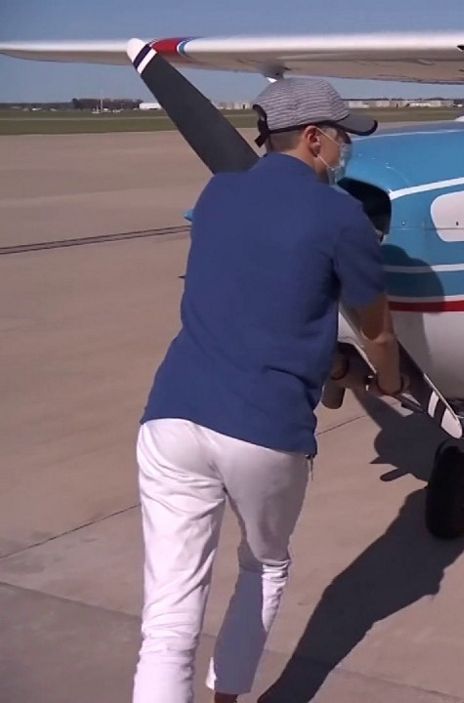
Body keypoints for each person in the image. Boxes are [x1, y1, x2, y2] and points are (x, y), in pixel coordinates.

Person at [132, 77, 408, 703]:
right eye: (341, 138)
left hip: (172, 417)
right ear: (312, 138)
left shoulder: (217, 193)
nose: (345, 151)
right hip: (263, 426)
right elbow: (378, 332)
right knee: (264, 566)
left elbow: (256, 291)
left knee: (169, 613)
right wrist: (387, 382)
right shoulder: (341, 215)